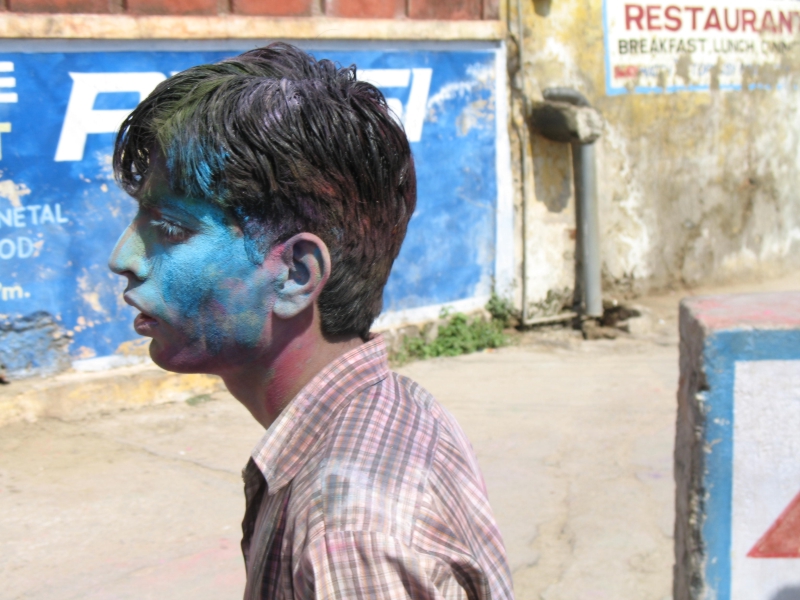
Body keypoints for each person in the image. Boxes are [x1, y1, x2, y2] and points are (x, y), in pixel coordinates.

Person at [108, 42, 513, 600]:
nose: (124, 257)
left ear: (296, 274)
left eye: (171, 229)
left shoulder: (346, 536)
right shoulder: (391, 406)